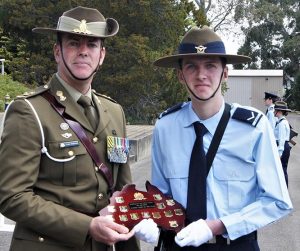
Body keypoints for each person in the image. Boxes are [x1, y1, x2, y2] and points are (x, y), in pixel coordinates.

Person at [0, 6, 151, 251]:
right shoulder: (29, 111)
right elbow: (12, 197)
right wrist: (87, 226)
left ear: (102, 55)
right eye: (73, 43)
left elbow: (122, 190)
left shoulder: (114, 112)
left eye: (91, 45)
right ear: (57, 52)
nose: (83, 52)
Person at [150, 26, 293, 251]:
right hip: (178, 244)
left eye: (210, 66)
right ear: (180, 75)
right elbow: (159, 194)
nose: (201, 75)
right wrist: (150, 218)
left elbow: (277, 201)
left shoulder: (254, 128)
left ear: (225, 73)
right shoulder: (166, 126)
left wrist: (218, 226)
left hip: (233, 244)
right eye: (191, 67)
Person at [274, 101, 291, 187]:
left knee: (282, 169)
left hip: (283, 147)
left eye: (275, 110)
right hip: (284, 146)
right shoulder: (282, 121)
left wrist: (279, 153)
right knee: (282, 169)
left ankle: (284, 190)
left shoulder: (281, 123)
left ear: (279, 111)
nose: (274, 112)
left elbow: (281, 139)